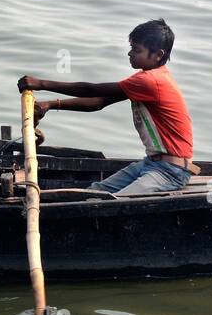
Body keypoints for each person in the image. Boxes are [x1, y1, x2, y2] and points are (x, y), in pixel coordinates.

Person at [17, 19, 194, 195]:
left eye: (137, 50)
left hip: (171, 171)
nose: (130, 54)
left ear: (158, 55)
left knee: (113, 202)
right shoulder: (146, 80)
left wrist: (40, 83)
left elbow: (90, 89)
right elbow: (98, 102)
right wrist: (51, 105)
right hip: (152, 164)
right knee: (94, 192)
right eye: (131, 48)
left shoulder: (150, 81)